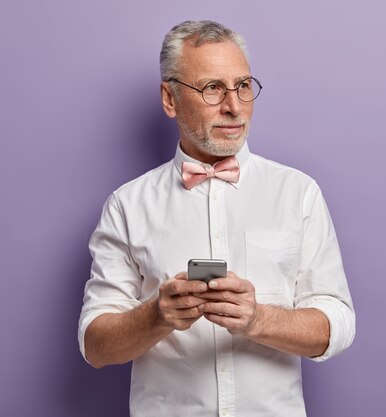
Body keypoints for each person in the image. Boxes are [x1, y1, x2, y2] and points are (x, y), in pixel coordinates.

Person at [78, 20, 355, 417]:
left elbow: (339, 326)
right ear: (170, 99)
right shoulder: (127, 205)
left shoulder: (299, 193)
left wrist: (258, 319)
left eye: (243, 86)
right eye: (212, 88)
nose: (234, 106)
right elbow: (95, 347)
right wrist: (157, 316)